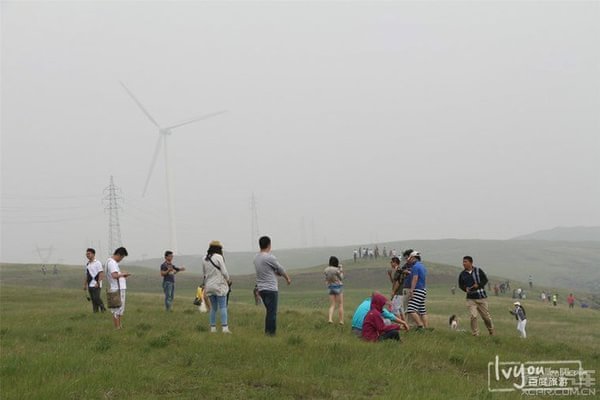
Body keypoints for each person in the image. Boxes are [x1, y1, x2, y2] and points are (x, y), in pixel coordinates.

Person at [254, 236, 291, 336]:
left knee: (269, 311)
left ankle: (268, 332)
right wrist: (287, 278)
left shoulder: (256, 257)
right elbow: (280, 268)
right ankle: (271, 334)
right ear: (269, 245)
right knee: (272, 313)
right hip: (270, 289)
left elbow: (269, 270)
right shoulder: (269, 257)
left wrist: (275, 272)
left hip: (261, 289)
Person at [458, 256, 494, 336]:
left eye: (465, 262)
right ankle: (475, 333)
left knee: (486, 317)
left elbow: (485, 280)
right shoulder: (462, 274)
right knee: (473, 316)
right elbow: (460, 285)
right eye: (463, 262)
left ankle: (491, 330)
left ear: (471, 263)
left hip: (481, 298)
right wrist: (465, 289)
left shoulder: (478, 271)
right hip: (470, 299)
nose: (464, 263)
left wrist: (479, 285)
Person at [202, 240, 231, 333]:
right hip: (219, 285)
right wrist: (228, 280)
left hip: (209, 286)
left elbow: (204, 273)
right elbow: (224, 272)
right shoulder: (219, 257)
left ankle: (213, 328)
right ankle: (225, 328)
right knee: (223, 307)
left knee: (213, 308)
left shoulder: (204, 259)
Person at [106, 247, 130, 329]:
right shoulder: (112, 263)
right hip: (117, 289)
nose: (121, 259)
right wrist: (123, 274)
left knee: (119, 309)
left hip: (117, 288)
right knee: (117, 309)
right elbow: (114, 275)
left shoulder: (111, 262)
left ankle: (119, 326)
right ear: (119, 255)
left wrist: (122, 275)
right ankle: (117, 327)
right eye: (122, 257)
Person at [406, 250, 429, 330]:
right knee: (422, 310)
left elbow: (415, 278)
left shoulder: (415, 266)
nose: (410, 260)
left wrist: (412, 290)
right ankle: (426, 327)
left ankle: (420, 326)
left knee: (411, 309)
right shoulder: (422, 266)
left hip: (418, 290)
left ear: (414, 258)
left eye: (411, 258)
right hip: (423, 289)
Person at [83, 248, 105, 313]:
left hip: (96, 284)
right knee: (93, 300)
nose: (87, 255)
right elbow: (87, 275)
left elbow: (101, 273)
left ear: (93, 254)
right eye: (86, 254)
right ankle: (95, 312)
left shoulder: (98, 263)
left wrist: (98, 283)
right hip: (90, 284)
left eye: (89, 254)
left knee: (96, 298)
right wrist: (85, 284)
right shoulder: (87, 264)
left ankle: (103, 308)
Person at [324, 256, 344, 324]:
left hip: (330, 288)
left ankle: (330, 319)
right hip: (338, 287)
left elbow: (326, 278)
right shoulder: (336, 270)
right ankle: (341, 321)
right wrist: (341, 269)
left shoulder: (326, 269)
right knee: (340, 305)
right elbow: (341, 278)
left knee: (332, 305)